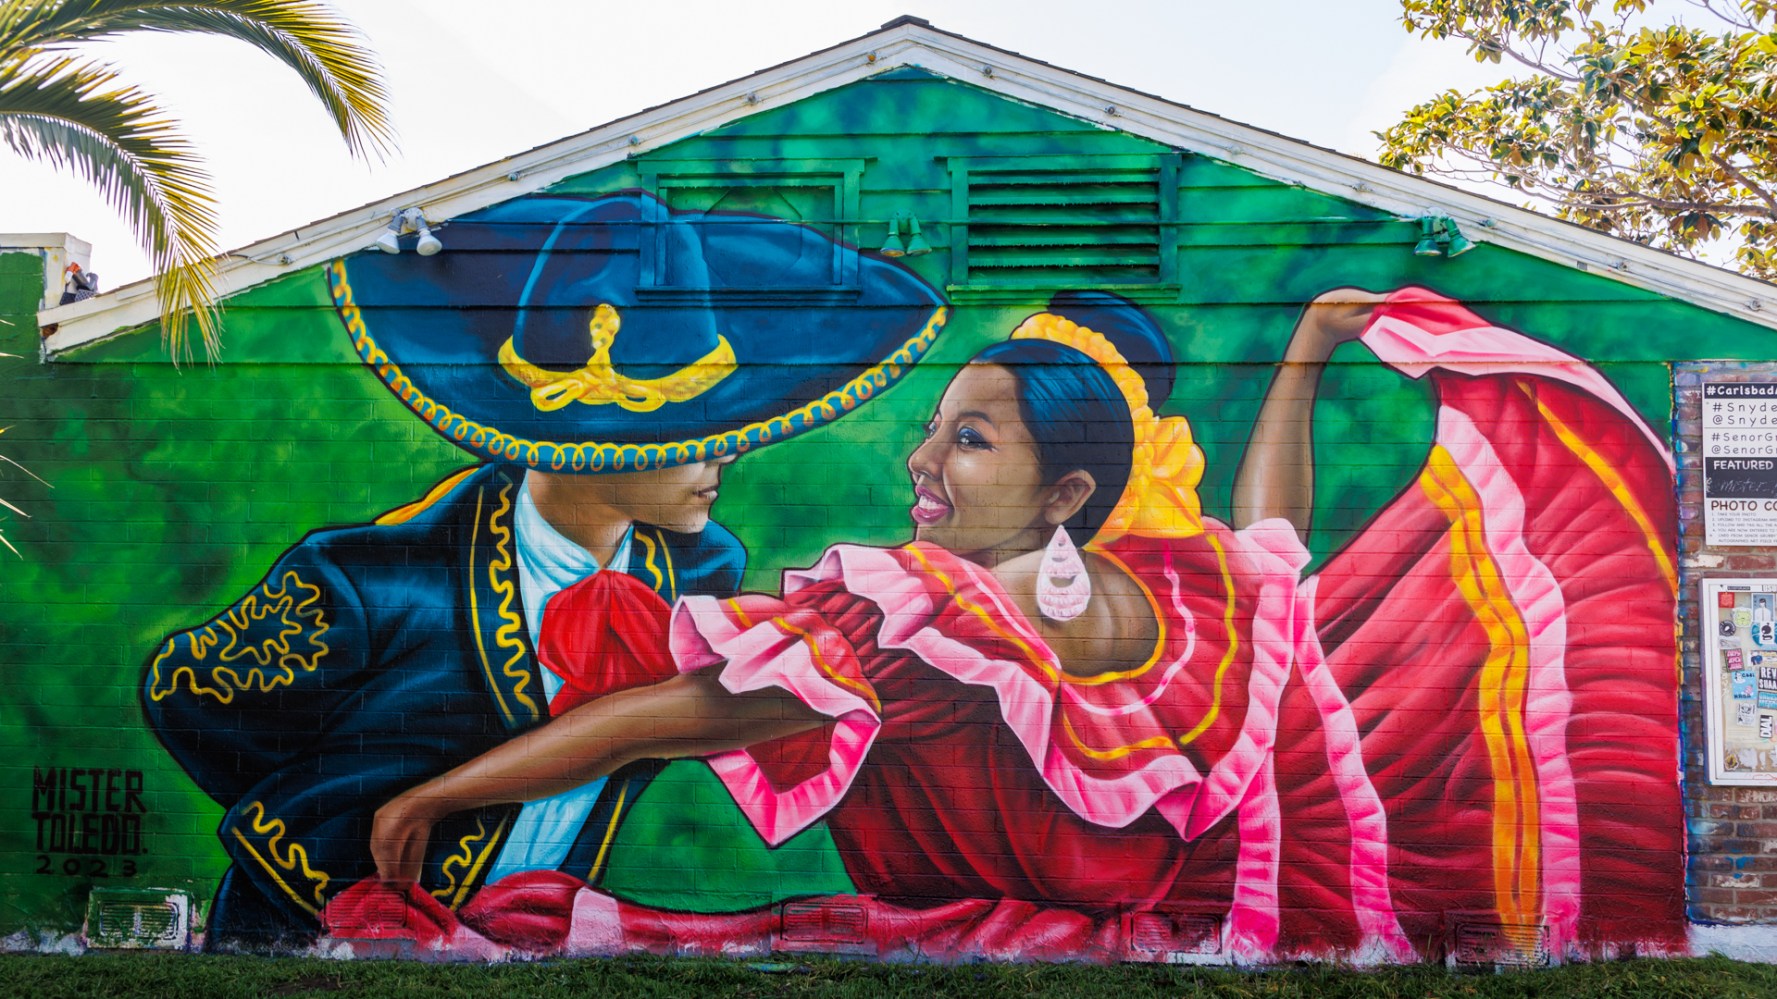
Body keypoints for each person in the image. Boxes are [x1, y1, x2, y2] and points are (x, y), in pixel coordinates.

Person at [343, 287, 1683, 963]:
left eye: (966, 438)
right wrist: (1308, 347)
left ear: (1068, 491)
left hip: (1181, 913)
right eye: (932, 431)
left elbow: (688, 714)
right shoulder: (1137, 597)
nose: (921, 464)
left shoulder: (980, 616)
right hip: (1157, 921)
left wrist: (444, 789)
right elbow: (1279, 540)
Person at [141, 191, 948, 948]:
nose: (727, 452)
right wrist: (330, 827)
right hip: (313, 932)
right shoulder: (371, 577)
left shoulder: (704, 567)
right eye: (694, 434)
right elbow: (187, 697)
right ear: (589, 445)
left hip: (520, 937)